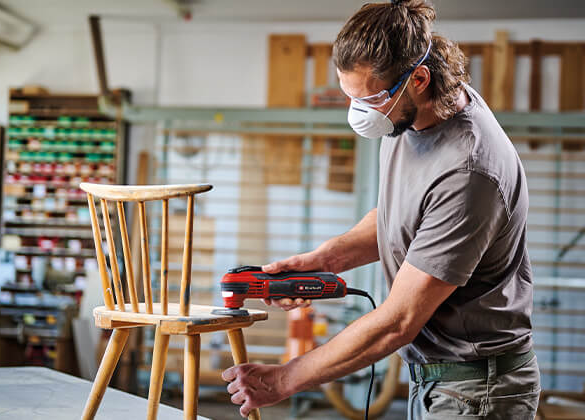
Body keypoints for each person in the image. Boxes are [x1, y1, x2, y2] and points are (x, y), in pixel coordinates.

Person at [222, 0, 540, 418]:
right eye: (351, 96)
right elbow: (403, 216)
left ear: (420, 79)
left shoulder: (468, 171)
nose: (359, 112)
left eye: (369, 98)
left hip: (475, 389)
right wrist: (327, 258)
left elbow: (399, 320)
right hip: (436, 378)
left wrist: (285, 379)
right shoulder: (407, 115)